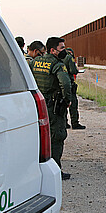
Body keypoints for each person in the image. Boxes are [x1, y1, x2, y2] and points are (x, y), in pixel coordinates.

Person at [30, 37, 72, 180]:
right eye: (61, 48)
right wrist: (68, 100)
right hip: (54, 106)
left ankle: (37, 169)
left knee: (38, 136)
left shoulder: (35, 62)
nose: (64, 51)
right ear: (53, 50)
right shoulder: (57, 64)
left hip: (37, 105)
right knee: (57, 137)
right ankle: (55, 171)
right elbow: (65, 84)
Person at [63, 47, 85, 130]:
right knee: (73, 104)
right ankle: (75, 123)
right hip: (69, 83)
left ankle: (65, 122)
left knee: (63, 103)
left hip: (61, 84)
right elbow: (73, 70)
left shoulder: (59, 57)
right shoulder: (69, 58)